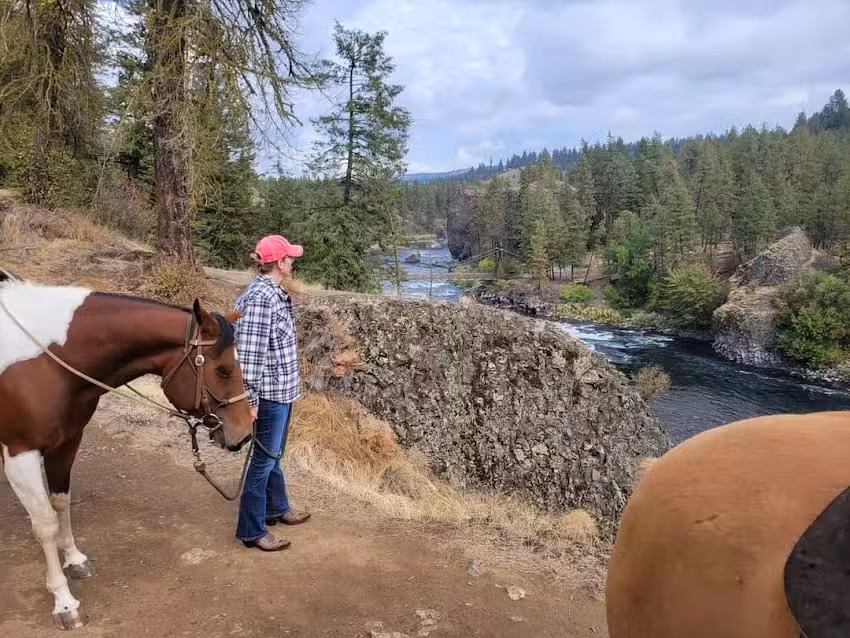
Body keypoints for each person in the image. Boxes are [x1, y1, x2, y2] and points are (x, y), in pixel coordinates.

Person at [232, 234, 311, 552]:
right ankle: (252, 530)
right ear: (279, 263)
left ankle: (277, 507)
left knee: (272, 453)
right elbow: (250, 357)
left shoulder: (271, 292)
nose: (292, 261)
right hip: (268, 395)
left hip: (281, 391)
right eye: (289, 258)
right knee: (263, 460)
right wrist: (250, 402)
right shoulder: (262, 297)